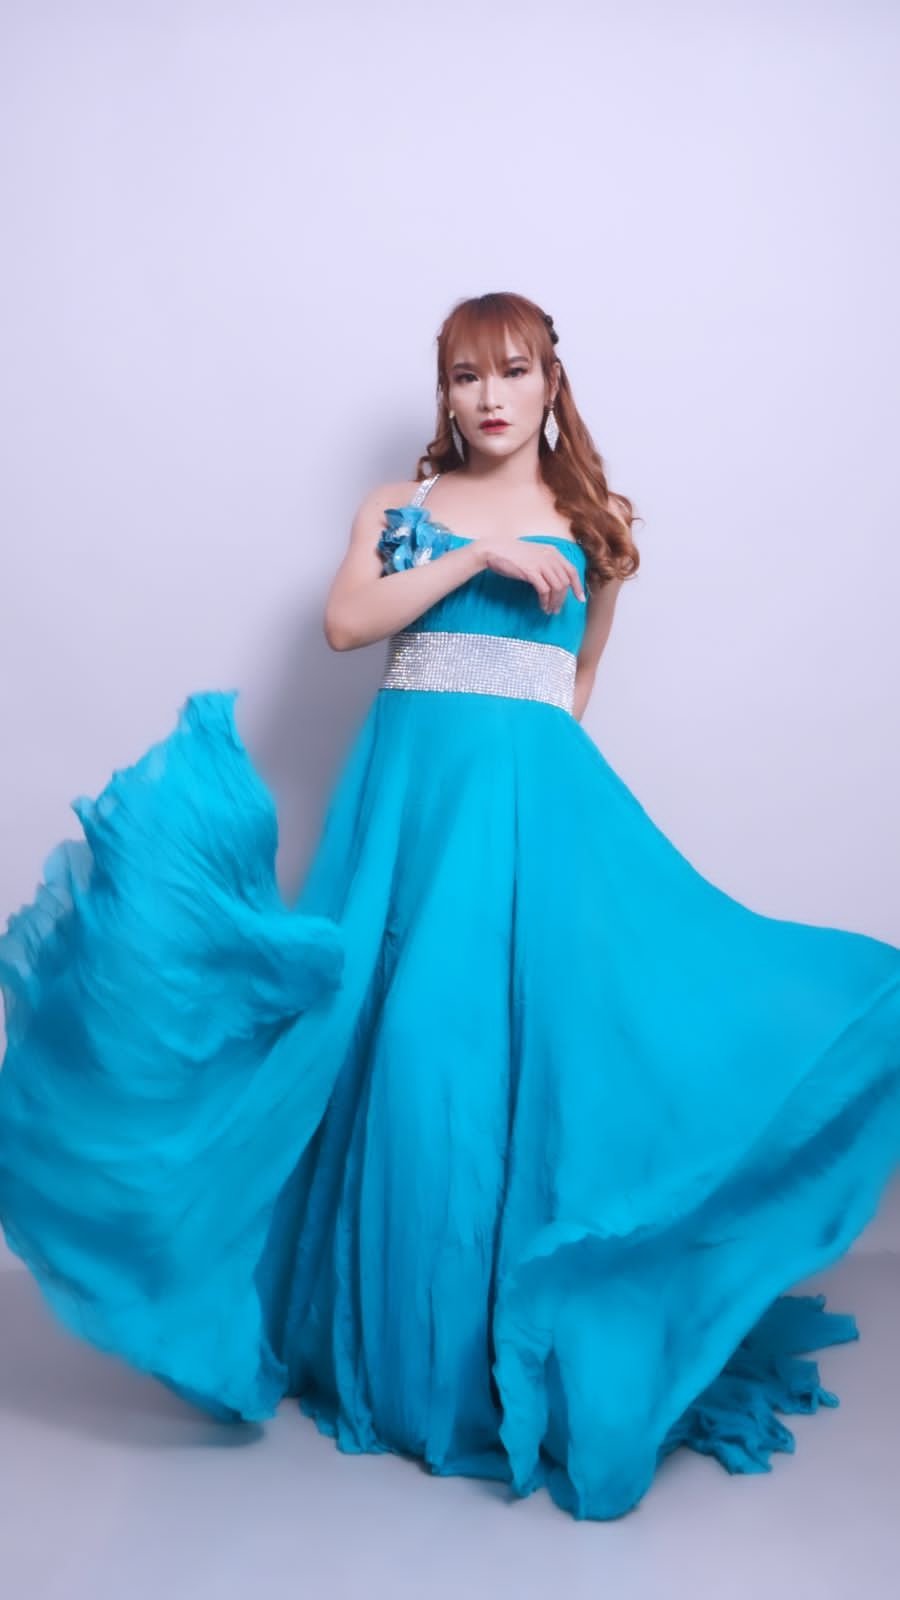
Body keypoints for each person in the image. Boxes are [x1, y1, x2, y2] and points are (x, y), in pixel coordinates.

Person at [1, 290, 899, 1524]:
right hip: (407, 821)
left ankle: (495, 1348)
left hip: (530, 827)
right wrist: (476, 557)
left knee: (516, 1061)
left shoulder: (595, 522)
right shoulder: (402, 508)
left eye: (513, 371)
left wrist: (538, 820)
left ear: (550, 384)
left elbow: (573, 687)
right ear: (449, 392)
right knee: (403, 1057)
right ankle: (404, 1357)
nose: (489, 397)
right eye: (467, 375)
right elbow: (344, 623)